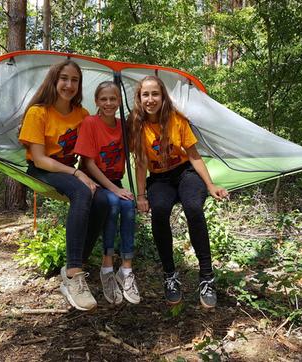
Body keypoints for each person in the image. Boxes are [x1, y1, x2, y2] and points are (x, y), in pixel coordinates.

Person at [128, 75, 229, 308]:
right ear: (139, 98)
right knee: (160, 210)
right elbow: (141, 163)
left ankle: (206, 277)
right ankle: (170, 275)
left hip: (185, 174)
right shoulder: (136, 125)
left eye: (155, 94)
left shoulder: (176, 120)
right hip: (159, 180)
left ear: (163, 96)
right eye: (146, 94)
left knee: (194, 207)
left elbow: (193, 154)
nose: (150, 99)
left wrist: (211, 185)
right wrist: (141, 196)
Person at [18, 60, 109, 311]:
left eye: (74, 80)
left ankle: (74, 265)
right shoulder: (39, 112)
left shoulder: (82, 115)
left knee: (103, 200)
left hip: (71, 170)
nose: (69, 85)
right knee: (82, 192)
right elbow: (39, 159)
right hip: (43, 169)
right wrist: (76, 173)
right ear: (54, 81)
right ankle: (73, 274)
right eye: (64, 79)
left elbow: (92, 148)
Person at [74, 81, 140, 305]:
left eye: (113, 99)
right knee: (113, 204)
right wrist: (114, 189)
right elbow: (89, 163)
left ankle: (126, 270)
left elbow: (139, 143)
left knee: (128, 206)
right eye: (104, 99)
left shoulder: (122, 126)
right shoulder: (90, 123)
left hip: (115, 180)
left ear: (119, 101)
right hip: (94, 181)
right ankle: (106, 268)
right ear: (96, 102)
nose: (109, 103)